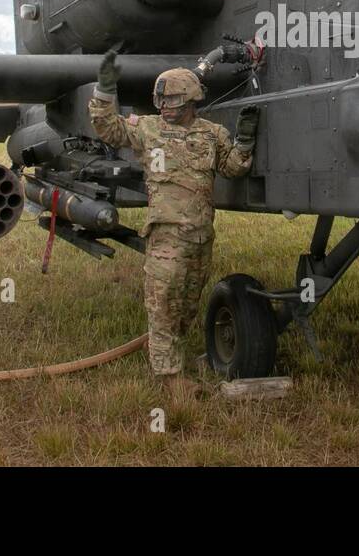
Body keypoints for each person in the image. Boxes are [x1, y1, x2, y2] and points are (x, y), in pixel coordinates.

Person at [88, 50, 259, 395]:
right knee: (163, 302)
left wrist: (244, 140)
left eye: (173, 99)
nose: (165, 105)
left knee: (187, 305)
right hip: (166, 236)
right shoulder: (148, 129)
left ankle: (175, 356)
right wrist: (104, 91)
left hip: (200, 237)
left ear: (193, 99)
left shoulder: (212, 134)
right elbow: (107, 128)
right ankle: (169, 379)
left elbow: (233, 168)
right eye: (160, 99)